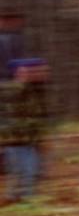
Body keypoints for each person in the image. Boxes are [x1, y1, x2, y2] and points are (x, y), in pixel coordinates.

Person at [1, 58, 49, 202]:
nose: (39, 74)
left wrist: (40, 137)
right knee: (22, 171)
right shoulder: (9, 89)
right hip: (15, 139)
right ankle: (20, 200)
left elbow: (38, 115)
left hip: (29, 139)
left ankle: (25, 199)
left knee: (31, 171)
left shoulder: (35, 90)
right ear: (19, 72)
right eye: (32, 71)